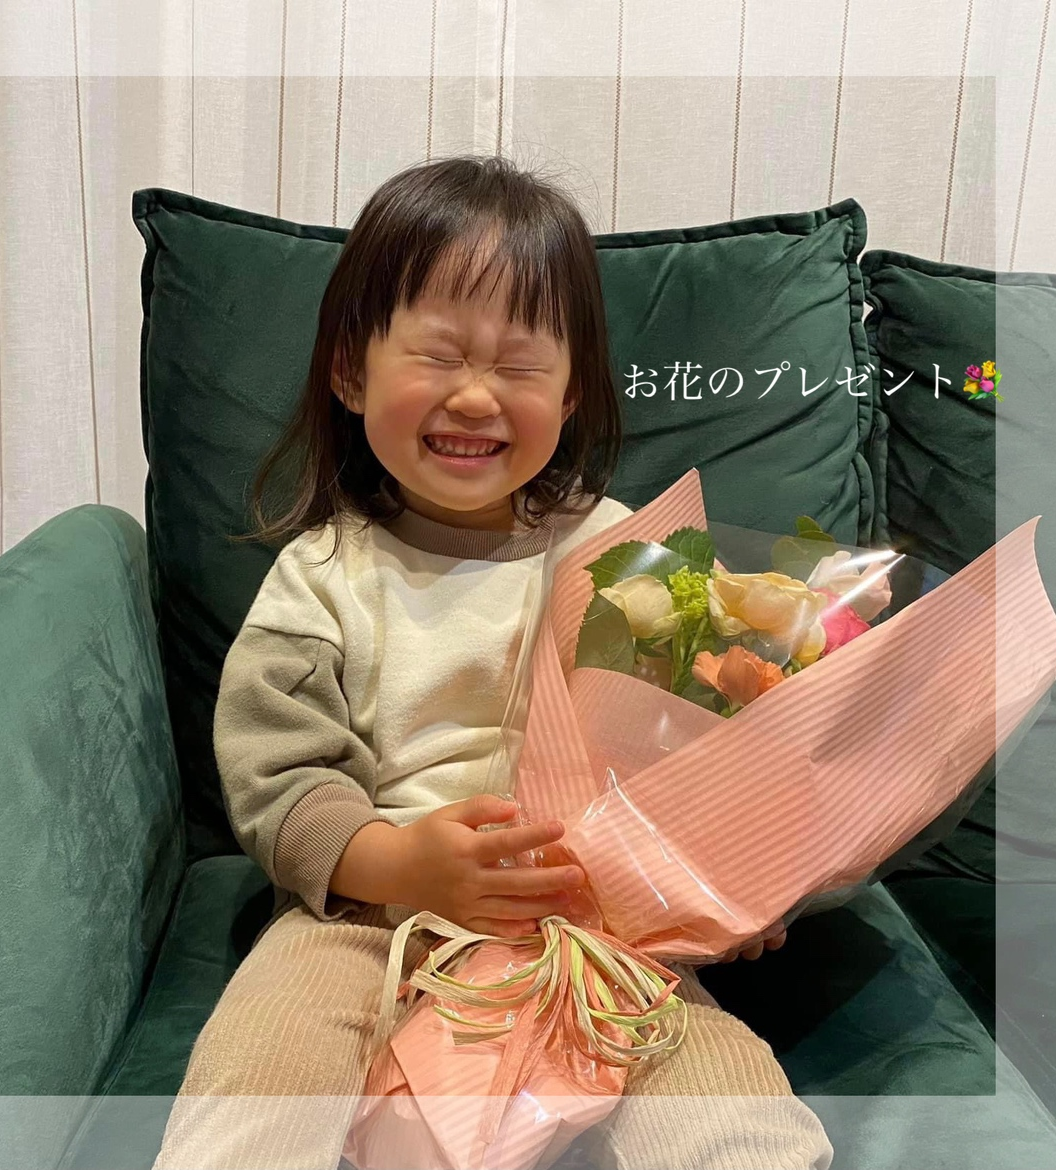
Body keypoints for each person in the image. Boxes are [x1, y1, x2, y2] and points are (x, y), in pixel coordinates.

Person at [151, 154, 833, 1170]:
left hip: (594, 927)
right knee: (261, 1073)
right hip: (368, 914)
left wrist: (740, 874)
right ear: (350, 372)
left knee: (722, 1100)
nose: (475, 397)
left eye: (519, 368)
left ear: (571, 393)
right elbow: (278, 777)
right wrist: (395, 865)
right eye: (437, 355)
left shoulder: (624, 550)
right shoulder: (324, 574)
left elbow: (707, 736)